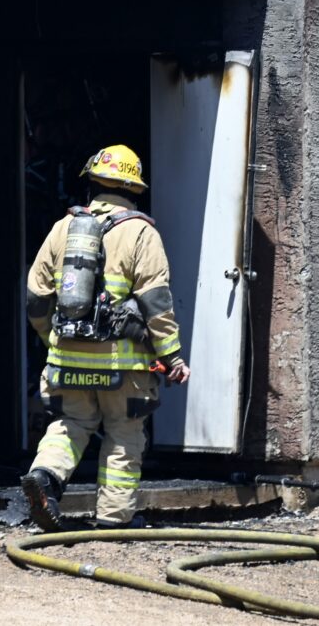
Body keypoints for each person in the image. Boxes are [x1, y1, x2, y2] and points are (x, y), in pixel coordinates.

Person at [21, 144, 190, 531]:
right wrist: (173, 357)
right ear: (134, 189)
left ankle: (44, 478)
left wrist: (53, 341)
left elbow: (36, 297)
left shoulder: (63, 228)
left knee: (71, 423)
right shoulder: (141, 233)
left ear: (92, 183)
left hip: (67, 359)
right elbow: (156, 303)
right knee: (123, 432)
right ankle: (114, 519)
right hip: (123, 367)